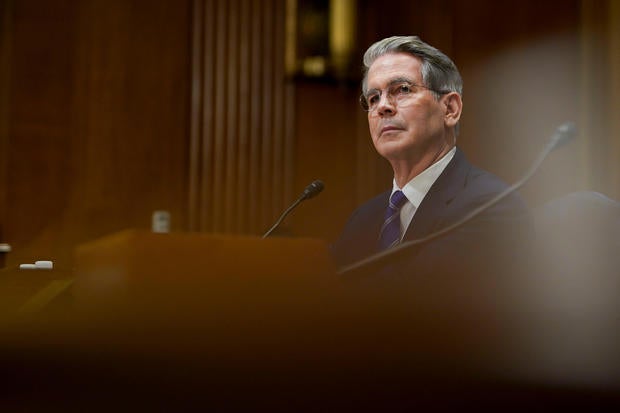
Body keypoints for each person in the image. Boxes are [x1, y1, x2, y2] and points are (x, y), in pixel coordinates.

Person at [331, 36, 534, 282]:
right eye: (374, 98)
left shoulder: (489, 207)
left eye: (402, 89)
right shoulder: (363, 220)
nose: (383, 106)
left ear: (449, 109)